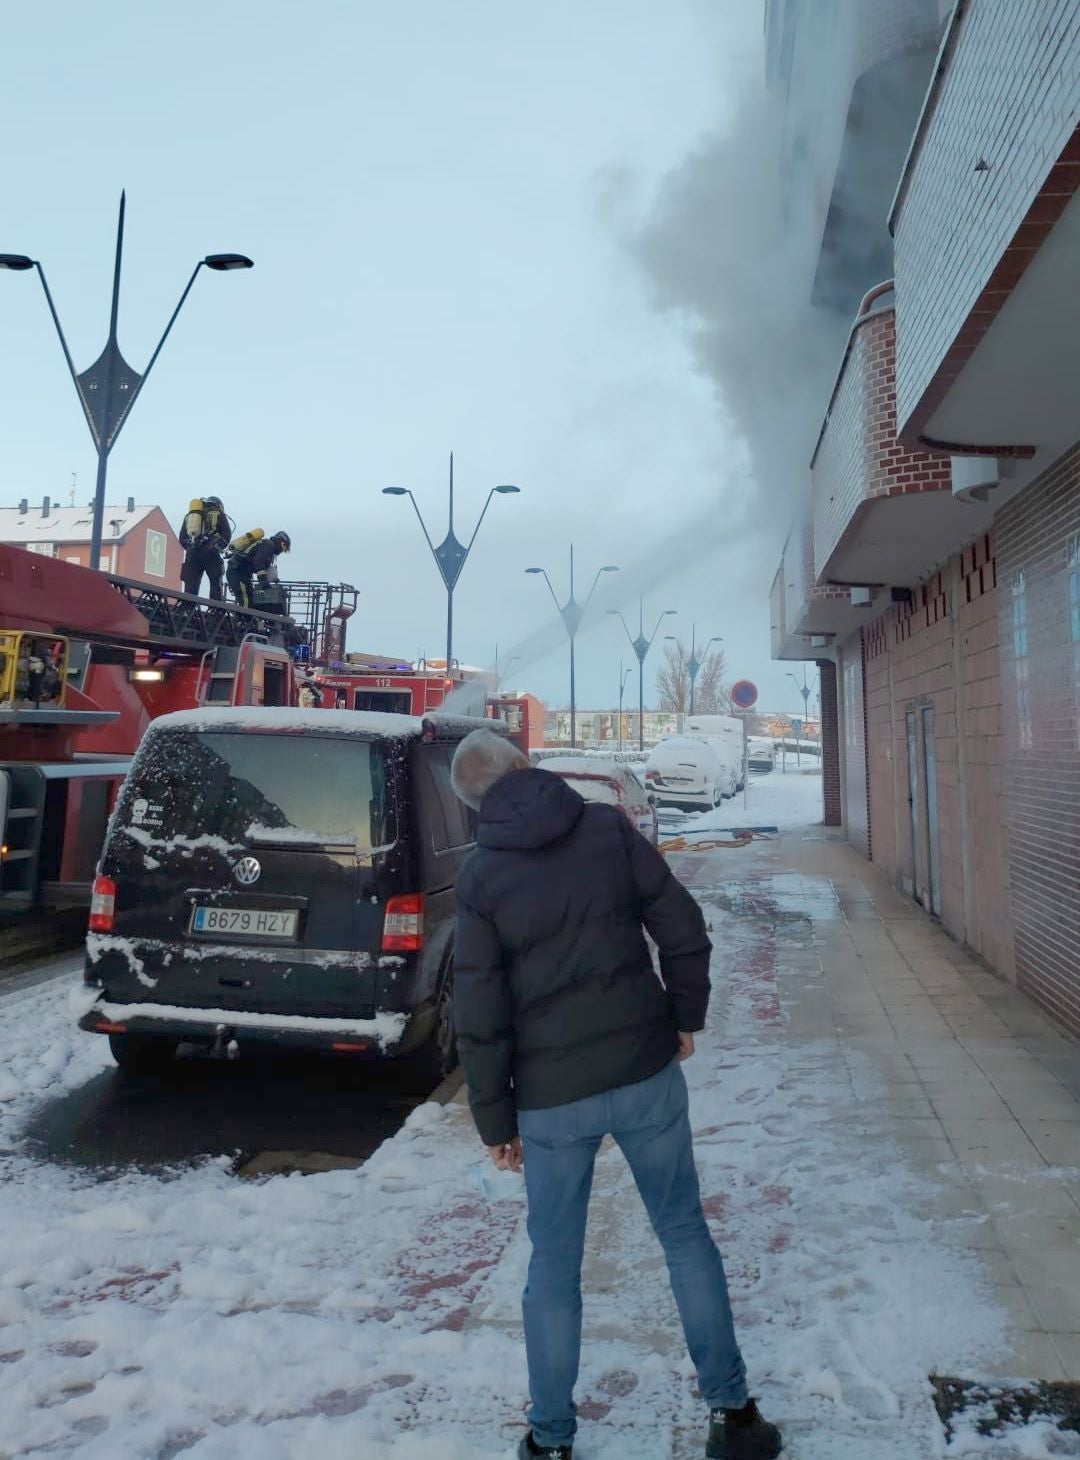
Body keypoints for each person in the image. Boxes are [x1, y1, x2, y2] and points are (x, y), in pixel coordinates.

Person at [450, 730, 781, 1460]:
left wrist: (494, 1120)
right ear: (525, 765)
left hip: (551, 1101)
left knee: (553, 1265)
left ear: (472, 804)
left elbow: (478, 1010)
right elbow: (682, 927)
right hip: (643, 1073)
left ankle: (551, 1439)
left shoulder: (481, 877)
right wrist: (685, 1016)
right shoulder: (605, 828)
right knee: (684, 1234)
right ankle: (736, 1419)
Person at [178, 496, 229, 600]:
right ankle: (215, 606)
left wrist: (190, 547)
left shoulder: (190, 516)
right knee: (215, 582)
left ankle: (187, 606)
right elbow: (226, 534)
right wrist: (217, 547)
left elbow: (182, 538)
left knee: (190, 586)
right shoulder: (219, 514)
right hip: (210, 553)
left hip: (192, 554)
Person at [226, 529, 291, 609]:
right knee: (245, 600)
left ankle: (244, 615)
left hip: (242, 574)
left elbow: (258, 564)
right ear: (281, 542)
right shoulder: (268, 545)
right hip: (237, 572)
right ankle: (242, 616)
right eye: (284, 547)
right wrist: (263, 581)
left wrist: (273, 578)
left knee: (250, 598)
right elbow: (258, 562)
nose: (282, 551)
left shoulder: (267, 546)